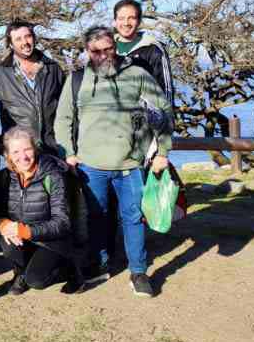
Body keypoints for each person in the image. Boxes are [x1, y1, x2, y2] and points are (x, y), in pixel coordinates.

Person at [54, 26, 172, 298]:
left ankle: (138, 271)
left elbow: (163, 110)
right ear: (88, 51)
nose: (104, 55)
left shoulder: (137, 75)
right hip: (90, 165)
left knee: (133, 218)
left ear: (115, 47)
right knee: (98, 217)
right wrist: (68, 152)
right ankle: (101, 263)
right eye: (97, 51)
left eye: (109, 49)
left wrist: (162, 151)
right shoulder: (77, 80)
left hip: (130, 164)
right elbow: (63, 120)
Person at [0, 126, 82, 295]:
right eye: (16, 152)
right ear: (8, 155)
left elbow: (62, 222)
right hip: (21, 237)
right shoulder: (2, 178)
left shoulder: (53, 175)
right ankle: (20, 273)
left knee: (37, 281)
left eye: (27, 149)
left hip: (51, 241)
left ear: (35, 149)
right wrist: (3, 225)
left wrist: (25, 230)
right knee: (7, 244)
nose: (23, 157)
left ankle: (69, 268)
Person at [0, 21, 65, 155]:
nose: (25, 42)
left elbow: (68, 110)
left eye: (28, 36)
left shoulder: (53, 69)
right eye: (18, 39)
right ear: (10, 44)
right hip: (18, 153)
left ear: (34, 38)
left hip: (53, 150)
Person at [113, 0, 174, 105]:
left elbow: (166, 93)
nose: (126, 23)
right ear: (114, 21)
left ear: (139, 21)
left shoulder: (153, 49)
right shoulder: (103, 50)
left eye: (131, 18)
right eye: (121, 18)